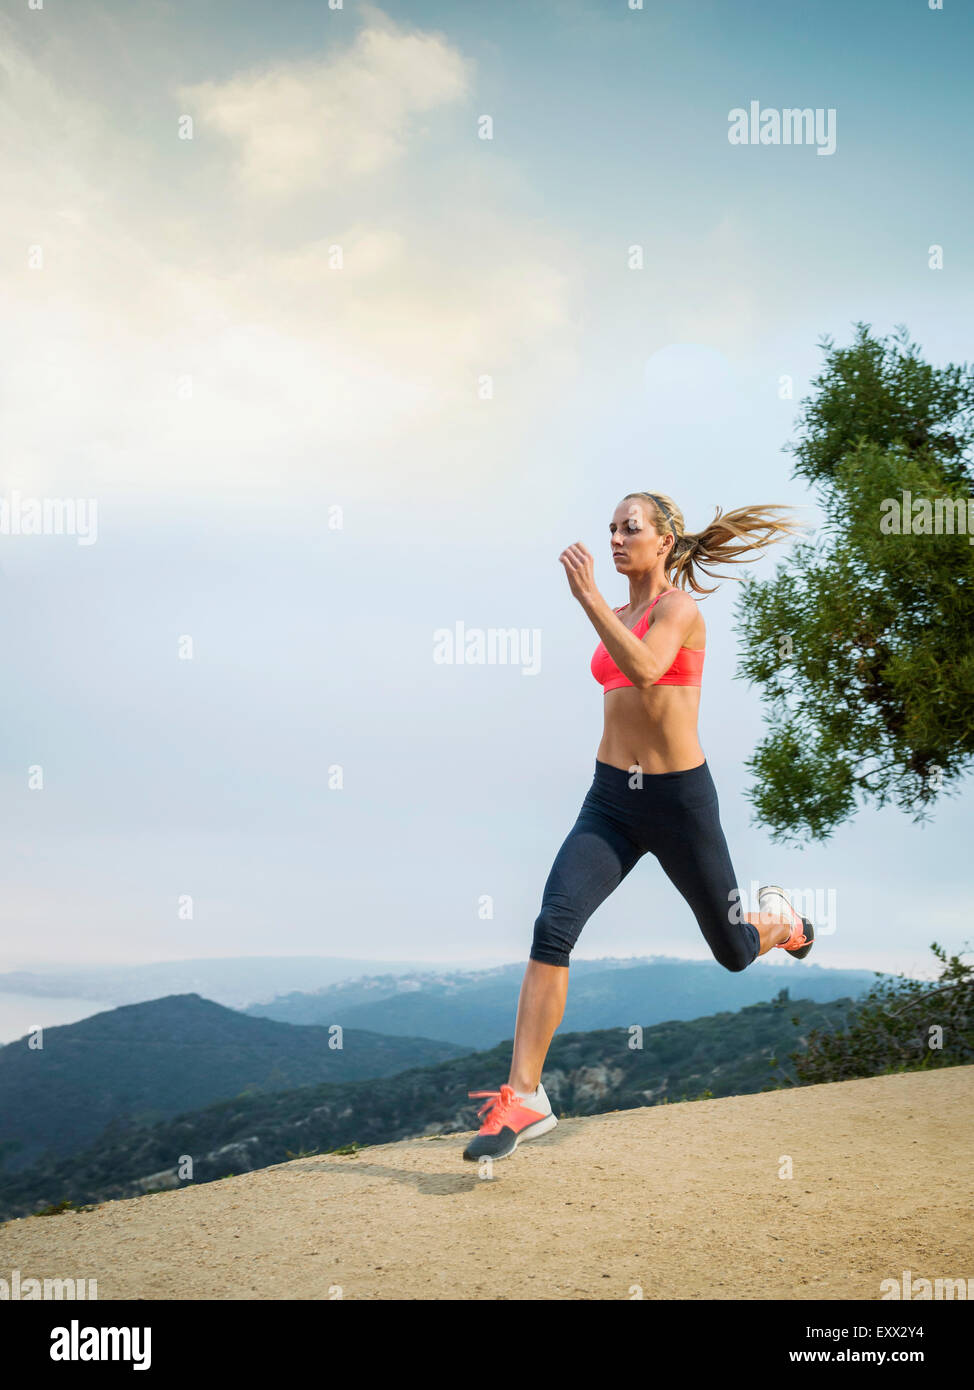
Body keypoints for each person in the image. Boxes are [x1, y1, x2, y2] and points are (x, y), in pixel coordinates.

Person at [464, 491, 814, 1162]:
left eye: (631, 529)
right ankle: (525, 1097)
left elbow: (648, 668)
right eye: (612, 529)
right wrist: (602, 605)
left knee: (736, 953)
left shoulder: (679, 610)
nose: (617, 539)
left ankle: (783, 922)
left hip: (679, 803)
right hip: (611, 802)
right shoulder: (619, 613)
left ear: (663, 542)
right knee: (553, 924)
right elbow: (623, 670)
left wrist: (589, 598)